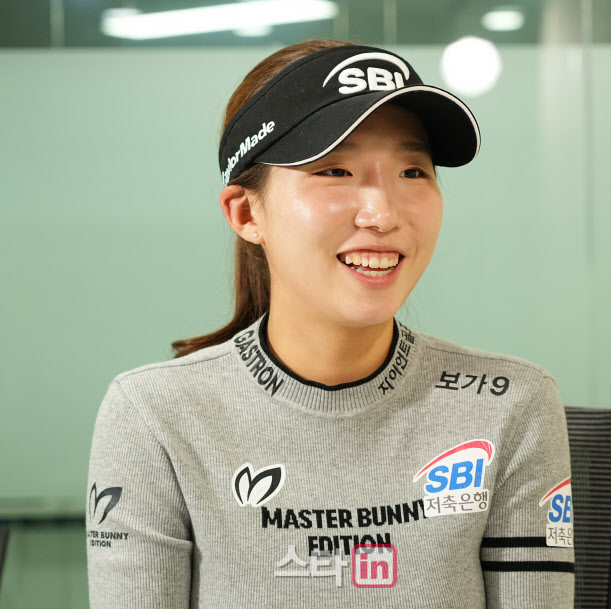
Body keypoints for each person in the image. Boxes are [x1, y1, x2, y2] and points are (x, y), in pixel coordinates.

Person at [86, 39, 574, 608]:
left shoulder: (509, 403)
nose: (383, 214)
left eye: (413, 171)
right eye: (335, 170)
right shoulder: (154, 415)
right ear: (246, 212)